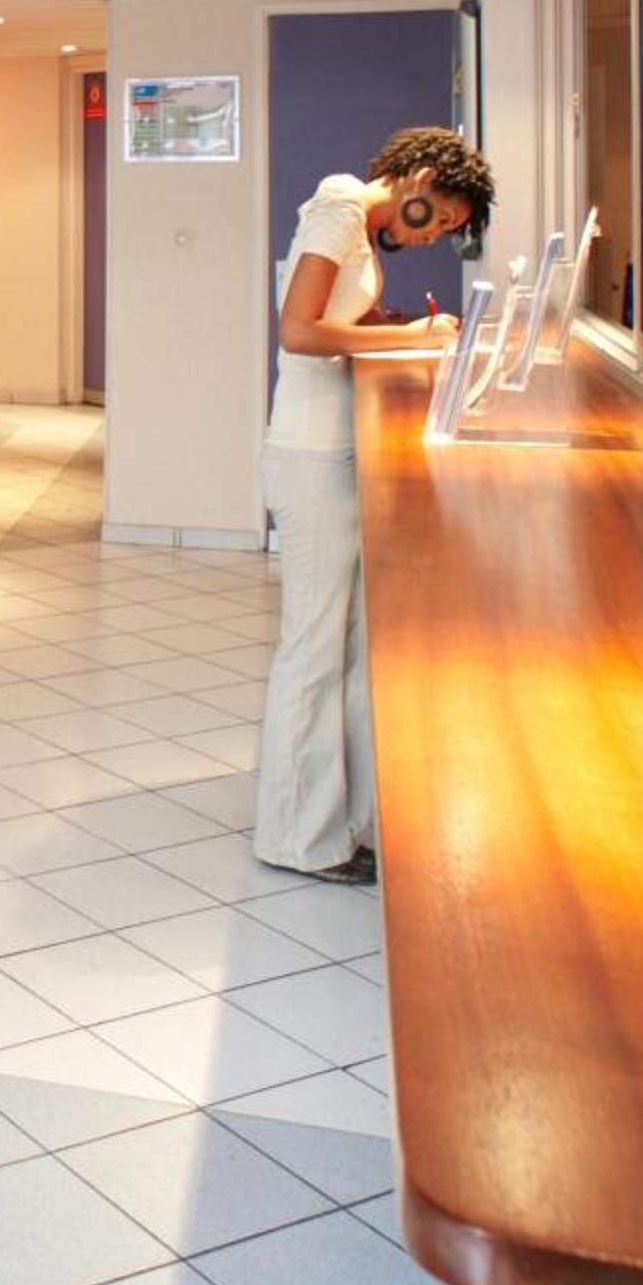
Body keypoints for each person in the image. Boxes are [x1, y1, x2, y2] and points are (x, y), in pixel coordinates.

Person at [257, 125, 493, 883]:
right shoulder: (339, 206)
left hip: (335, 452)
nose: (433, 237)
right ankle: (298, 838)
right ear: (419, 178)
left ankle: (345, 823)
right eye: (441, 218)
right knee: (314, 648)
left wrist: (389, 329)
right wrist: (412, 336)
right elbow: (298, 332)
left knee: (350, 645)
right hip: (309, 454)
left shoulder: (354, 223)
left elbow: (335, 321)